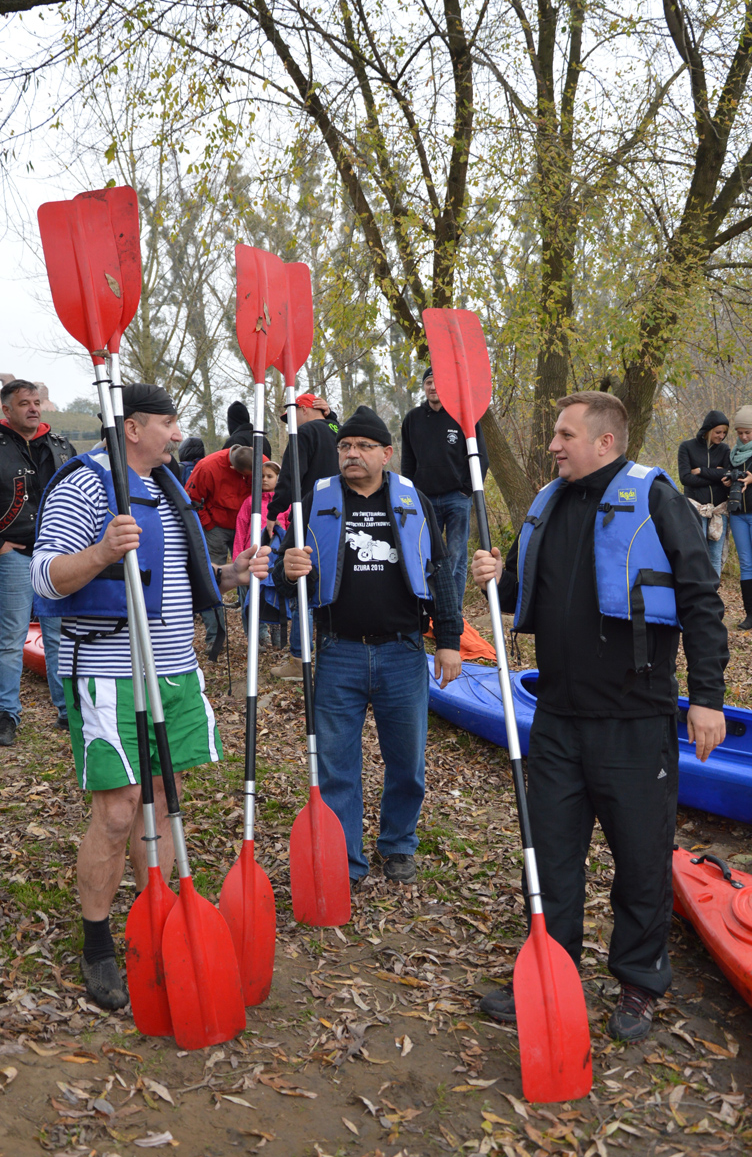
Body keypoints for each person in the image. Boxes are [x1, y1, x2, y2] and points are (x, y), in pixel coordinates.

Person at [472, 392, 728, 1043]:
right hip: (557, 717)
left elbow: (701, 600)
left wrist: (706, 697)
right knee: (550, 857)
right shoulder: (548, 503)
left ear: (605, 441)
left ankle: (639, 982)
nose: (553, 445)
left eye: (565, 435)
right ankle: (550, 970)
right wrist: (495, 575)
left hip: (634, 719)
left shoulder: (657, 499)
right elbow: (518, 590)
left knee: (641, 858)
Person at [30, 383, 270, 1008]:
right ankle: (97, 943)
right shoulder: (84, 485)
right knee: (117, 811)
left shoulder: (168, 486)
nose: (178, 433)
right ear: (133, 428)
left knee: (161, 798)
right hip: (110, 673)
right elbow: (45, 578)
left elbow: (179, 575)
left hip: (175, 671)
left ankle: (155, 912)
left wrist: (234, 573)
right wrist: (102, 551)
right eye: (168, 423)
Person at [273, 405, 463, 885]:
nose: (351, 454)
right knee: (336, 766)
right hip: (338, 652)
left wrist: (449, 640)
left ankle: (398, 844)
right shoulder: (314, 501)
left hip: (403, 652)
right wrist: (286, 571)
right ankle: (346, 859)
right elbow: (281, 574)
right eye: (345, 446)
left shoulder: (413, 499)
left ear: (386, 453)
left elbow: (440, 573)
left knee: (408, 764)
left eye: (363, 446)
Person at [0, 379, 74, 746]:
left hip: (57, 557)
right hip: (14, 556)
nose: (33, 408)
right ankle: (6, 715)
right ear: (6, 409)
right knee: (11, 639)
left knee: (59, 637)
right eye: (24, 403)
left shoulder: (62, 446)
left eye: (36, 401)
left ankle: (68, 711)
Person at [400, 366, 489, 609]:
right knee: (425, 554)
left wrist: (467, 489)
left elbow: (480, 456)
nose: (433, 387)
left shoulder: (463, 416)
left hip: (457, 498)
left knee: (456, 556)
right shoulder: (413, 419)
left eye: (437, 382)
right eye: (428, 382)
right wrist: (411, 494)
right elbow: (407, 461)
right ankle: (430, 609)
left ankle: (453, 611)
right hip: (424, 500)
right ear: (424, 387)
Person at [268, 392, 340, 680]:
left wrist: (273, 512)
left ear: (306, 409)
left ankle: (300, 658)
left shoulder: (305, 433)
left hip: (310, 517)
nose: (290, 424)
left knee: (301, 582)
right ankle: (332, 654)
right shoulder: (342, 431)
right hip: (343, 516)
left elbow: (290, 477)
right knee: (334, 582)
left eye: (292, 416)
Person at [186, 443, 264, 657]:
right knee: (211, 578)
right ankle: (215, 637)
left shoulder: (261, 460)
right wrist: (208, 524)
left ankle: (258, 634)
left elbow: (272, 489)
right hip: (217, 527)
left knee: (253, 575)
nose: (247, 479)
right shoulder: (207, 467)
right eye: (244, 476)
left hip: (247, 525)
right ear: (232, 468)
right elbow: (191, 500)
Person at [677, 409, 731, 577]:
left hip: (719, 511)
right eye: (718, 432)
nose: (721, 436)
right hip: (695, 508)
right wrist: (716, 475)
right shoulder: (687, 447)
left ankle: (712, 591)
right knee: (697, 553)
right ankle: (697, 589)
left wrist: (701, 471)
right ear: (708, 429)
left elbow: (728, 474)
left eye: (724, 433)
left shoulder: (724, 450)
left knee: (715, 556)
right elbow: (685, 478)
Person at [234, 460, 281, 646]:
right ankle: (256, 637)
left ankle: (277, 633)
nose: (265, 480)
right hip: (251, 559)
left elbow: (289, 530)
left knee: (273, 595)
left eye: (270, 476)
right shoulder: (250, 502)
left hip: (274, 560)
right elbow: (240, 530)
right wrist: (238, 558)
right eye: (261, 476)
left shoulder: (284, 504)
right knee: (249, 598)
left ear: (278, 478)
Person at [728, 405, 752, 629]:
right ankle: (750, 614)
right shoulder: (732, 454)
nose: (744, 437)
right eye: (740, 432)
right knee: (746, 564)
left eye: (748, 432)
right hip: (737, 515)